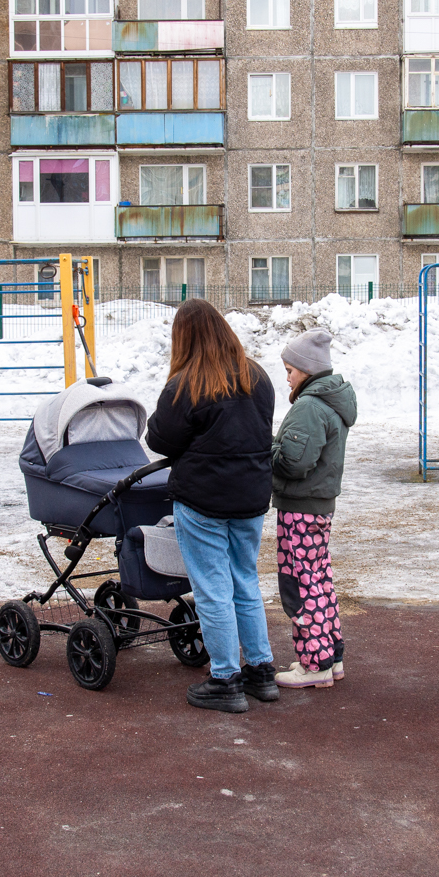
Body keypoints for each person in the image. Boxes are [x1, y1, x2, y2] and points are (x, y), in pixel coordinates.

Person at [146, 299, 278, 714]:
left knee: (212, 589)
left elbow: (160, 441)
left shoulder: (186, 383)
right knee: (245, 581)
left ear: (183, 337)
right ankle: (260, 671)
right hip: (251, 497)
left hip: (203, 499)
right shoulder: (257, 377)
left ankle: (224, 678)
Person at [271, 329, 356, 689]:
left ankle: (313, 664)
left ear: (306, 369)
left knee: (299, 584)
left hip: (299, 509)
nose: (287, 376)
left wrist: (268, 448)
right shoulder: (330, 403)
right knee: (318, 581)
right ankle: (329, 656)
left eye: (290, 369)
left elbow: (292, 464)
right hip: (319, 507)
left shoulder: (308, 407)